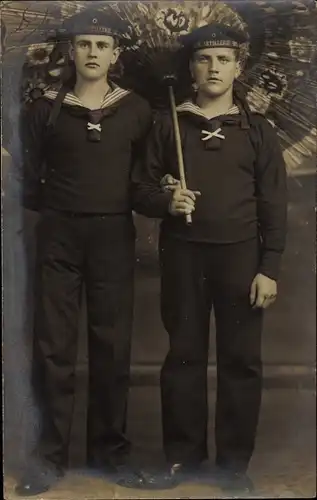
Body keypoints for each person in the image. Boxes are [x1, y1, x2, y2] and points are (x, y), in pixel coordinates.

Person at [131, 22, 287, 494]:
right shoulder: (168, 126)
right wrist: (167, 203)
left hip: (241, 260)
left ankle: (233, 467)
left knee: (240, 361)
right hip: (182, 258)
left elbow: (273, 205)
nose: (214, 67)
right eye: (204, 59)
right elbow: (139, 188)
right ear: (192, 70)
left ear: (238, 68)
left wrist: (269, 268)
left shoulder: (257, 131)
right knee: (183, 357)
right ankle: (183, 458)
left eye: (223, 59)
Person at [15, 8, 153, 496]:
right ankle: (48, 459)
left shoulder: (138, 110)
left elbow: (144, 183)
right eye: (84, 45)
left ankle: (110, 455)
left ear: (116, 55)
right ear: (71, 51)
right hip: (59, 236)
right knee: (53, 348)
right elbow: (28, 184)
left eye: (102, 46)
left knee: (112, 348)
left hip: (114, 238)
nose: (92, 53)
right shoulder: (44, 108)